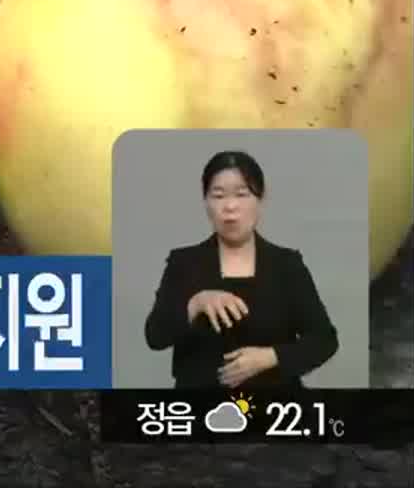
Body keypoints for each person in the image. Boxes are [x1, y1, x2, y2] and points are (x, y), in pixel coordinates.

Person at [142, 150, 338, 389]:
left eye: (242, 194)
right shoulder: (183, 263)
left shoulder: (287, 265)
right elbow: (155, 336)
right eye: (218, 196)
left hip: (274, 411)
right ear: (206, 202)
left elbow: (324, 340)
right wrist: (195, 304)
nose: (230, 206)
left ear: (260, 200)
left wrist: (270, 357)